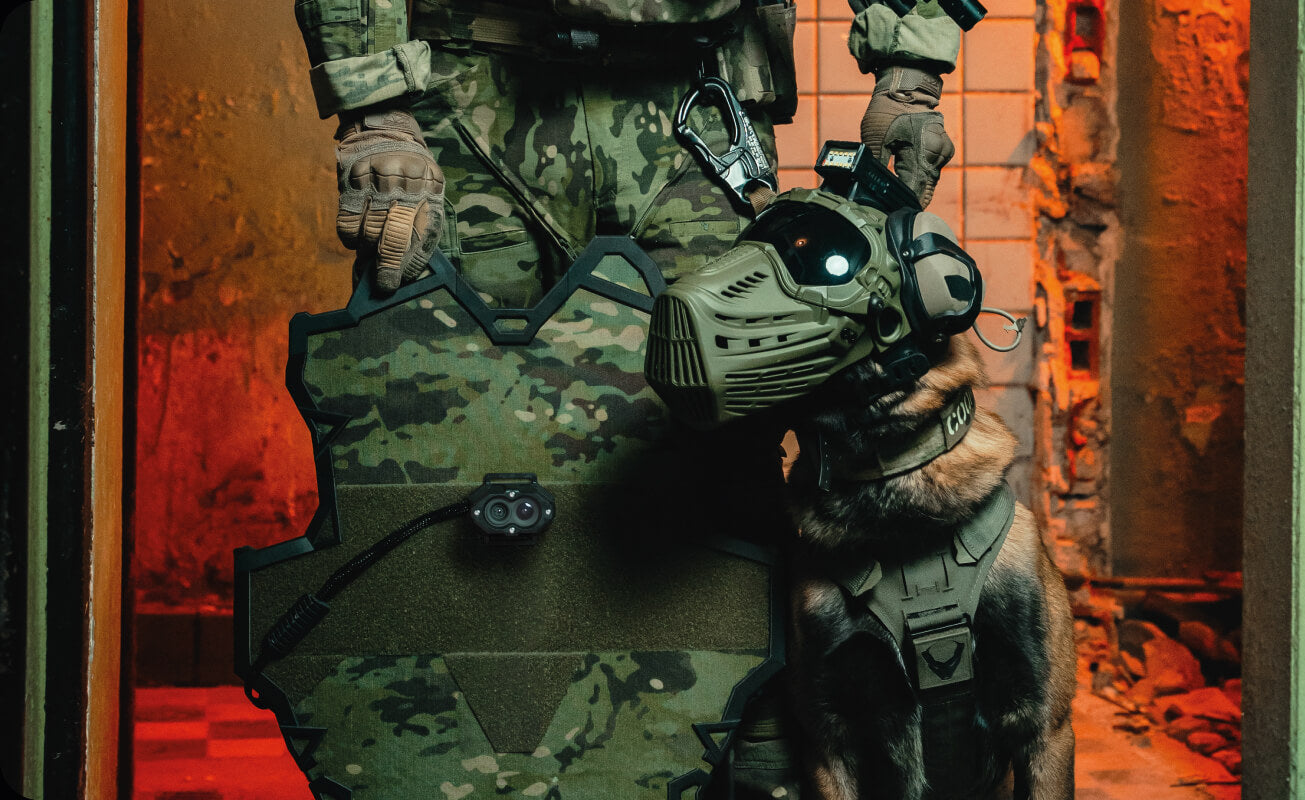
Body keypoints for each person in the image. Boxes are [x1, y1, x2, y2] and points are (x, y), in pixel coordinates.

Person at [261, 0, 972, 795]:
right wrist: (376, 108)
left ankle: (745, 756)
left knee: (724, 456)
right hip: (468, 96)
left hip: (698, 107)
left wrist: (909, 79)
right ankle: (456, 765)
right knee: (450, 448)